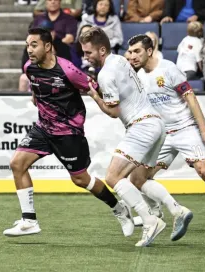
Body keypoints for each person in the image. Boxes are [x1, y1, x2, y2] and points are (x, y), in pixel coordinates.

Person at [3, 28, 134, 238]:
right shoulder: (29, 68)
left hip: (68, 133)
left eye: (34, 45)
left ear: (47, 46)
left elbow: (94, 88)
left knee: (81, 180)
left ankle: (119, 209)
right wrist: (36, 97)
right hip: (43, 128)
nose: (29, 50)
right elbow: (36, 91)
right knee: (17, 164)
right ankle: (29, 221)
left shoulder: (69, 70)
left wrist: (114, 103)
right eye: (27, 45)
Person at [80, 27, 193, 246]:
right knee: (139, 179)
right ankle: (177, 210)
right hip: (157, 123)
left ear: (102, 50)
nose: (85, 58)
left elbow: (113, 112)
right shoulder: (121, 60)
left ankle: (151, 221)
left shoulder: (105, 73)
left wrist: (94, 95)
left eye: (88, 53)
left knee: (113, 178)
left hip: (141, 126)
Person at [126, 34, 205, 231]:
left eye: (137, 51)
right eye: (131, 52)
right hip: (161, 134)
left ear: (150, 51)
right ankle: (155, 212)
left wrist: (204, 131)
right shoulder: (137, 76)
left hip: (185, 128)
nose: (133, 56)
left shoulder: (169, 68)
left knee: (204, 170)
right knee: (137, 178)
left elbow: (191, 99)